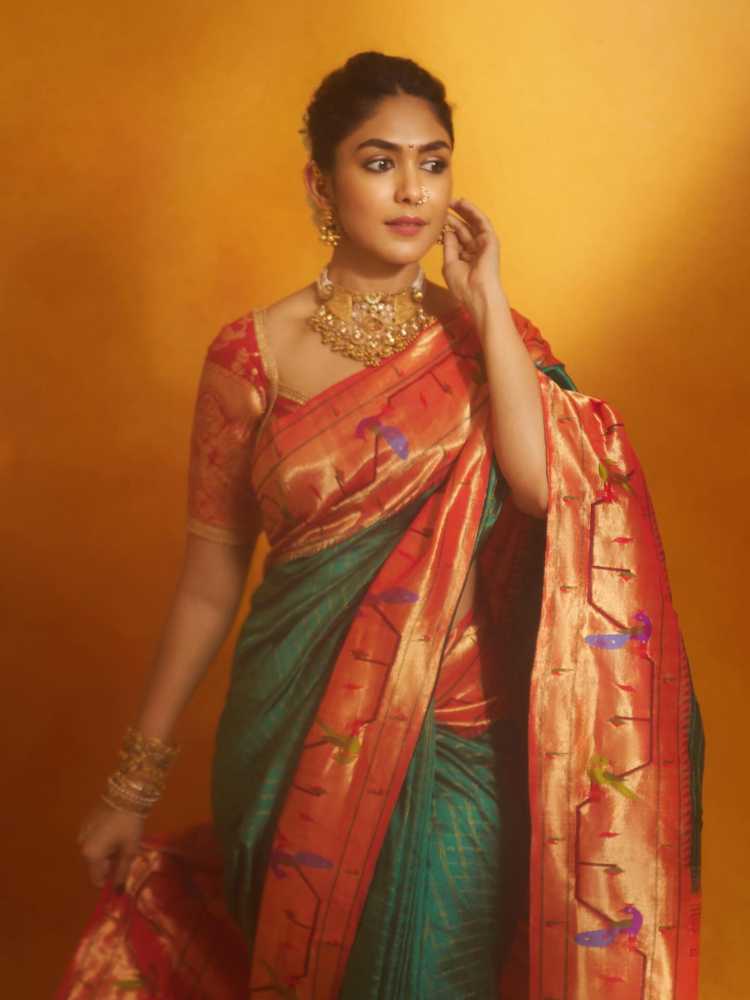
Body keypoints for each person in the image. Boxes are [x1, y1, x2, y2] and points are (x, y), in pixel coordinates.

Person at [62, 51, 705, 999]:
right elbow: (208, 584)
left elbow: (544, 488)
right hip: (287, 744)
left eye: (433, 163)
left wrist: (485, 301)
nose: (413, 190)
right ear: (320, 185)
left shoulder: (491, 343)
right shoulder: (250, 357)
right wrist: (131, 786)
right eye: (379, 163)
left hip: (457, 742)